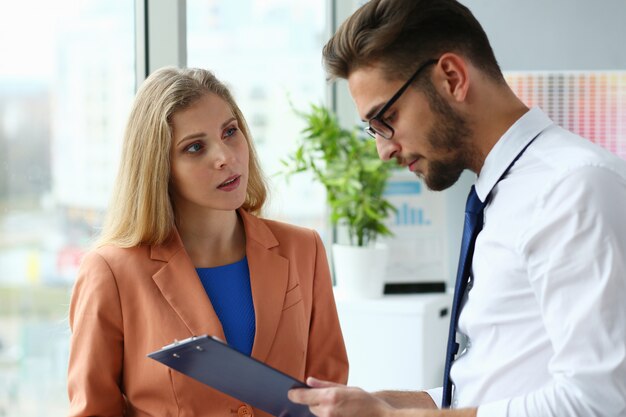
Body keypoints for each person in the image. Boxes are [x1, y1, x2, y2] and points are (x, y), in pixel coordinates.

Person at [288, 0, 626, 416]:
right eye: (372, 130)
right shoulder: (503, 193)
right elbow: (493, 385)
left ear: (452, 77)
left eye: (386, 118)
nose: (383, 150)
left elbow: (600, 401)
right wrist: (378, 404)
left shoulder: (573, 188)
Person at [67, 67, 349, 417]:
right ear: (159, 167)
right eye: (195, 147)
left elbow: (331, 395)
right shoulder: (110, 272)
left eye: (230, 132)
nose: (225, 157)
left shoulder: (303, 249)